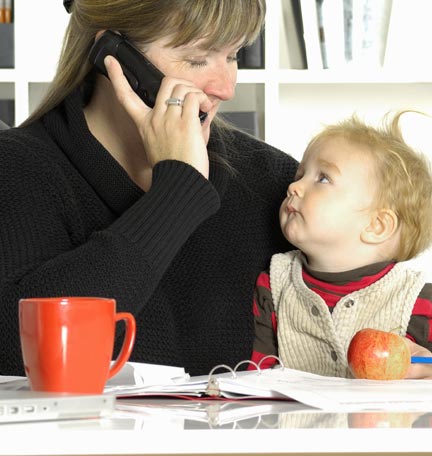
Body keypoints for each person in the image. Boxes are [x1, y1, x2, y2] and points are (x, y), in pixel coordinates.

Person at [0, 0, 299, 376]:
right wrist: (177, 195)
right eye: (197, 59)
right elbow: (17, 351)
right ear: (114, 57)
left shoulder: (275, 182)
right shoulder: (14, 171)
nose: (226, 87)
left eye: (233, 55)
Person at [250, 111, 432, 379]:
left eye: (322, 178)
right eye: (300, 174)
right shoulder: (273, 286)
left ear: (376, 226)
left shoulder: (419, 300)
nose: (293, 186)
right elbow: (255, 383)